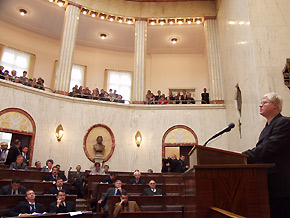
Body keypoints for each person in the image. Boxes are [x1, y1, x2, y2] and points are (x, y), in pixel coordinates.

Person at [242, 93, 290, 218]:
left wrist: (244, 156)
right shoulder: (267, 127)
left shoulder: (284, 122)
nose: (260, 105)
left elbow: (269, 148)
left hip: (281, 185)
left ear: (275, 105)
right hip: (268, 183)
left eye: (264, 103)